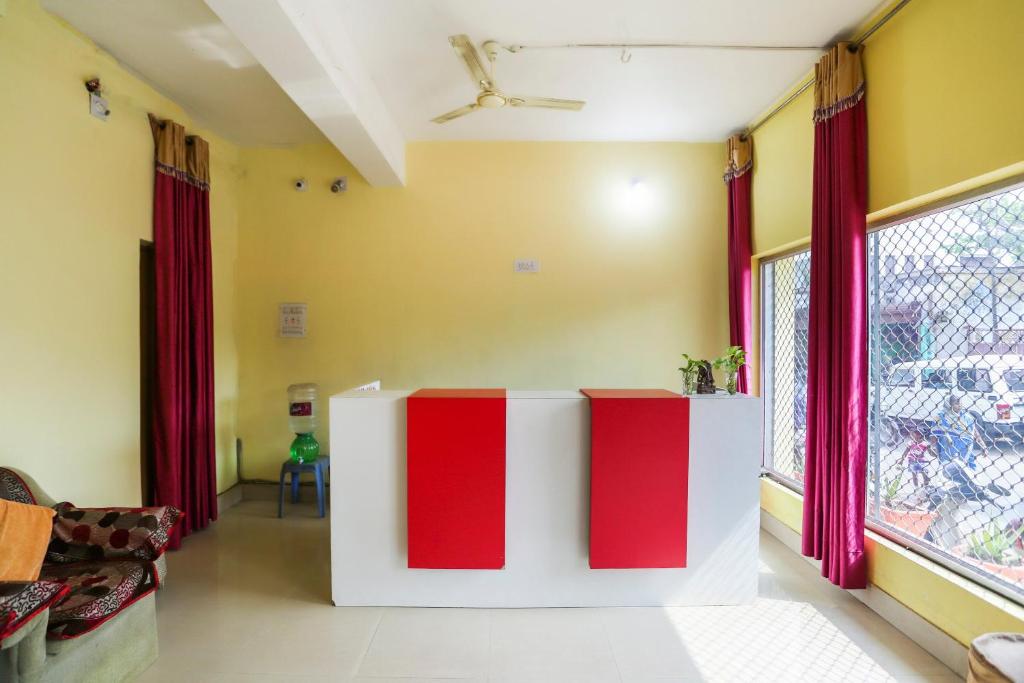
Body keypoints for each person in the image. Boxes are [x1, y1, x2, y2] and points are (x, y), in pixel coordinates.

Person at [932, 394, 987, 472]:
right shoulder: (940, 417)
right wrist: (933, 447)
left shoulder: (967, 418)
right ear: (949, 405)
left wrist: (983, 446)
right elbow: (934, 435)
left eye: (960, 403)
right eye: (956, 403)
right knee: (948, 472)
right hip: (948, 449)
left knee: (968, 472)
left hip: (965, 449)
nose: (960, 405)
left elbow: (975, 433)